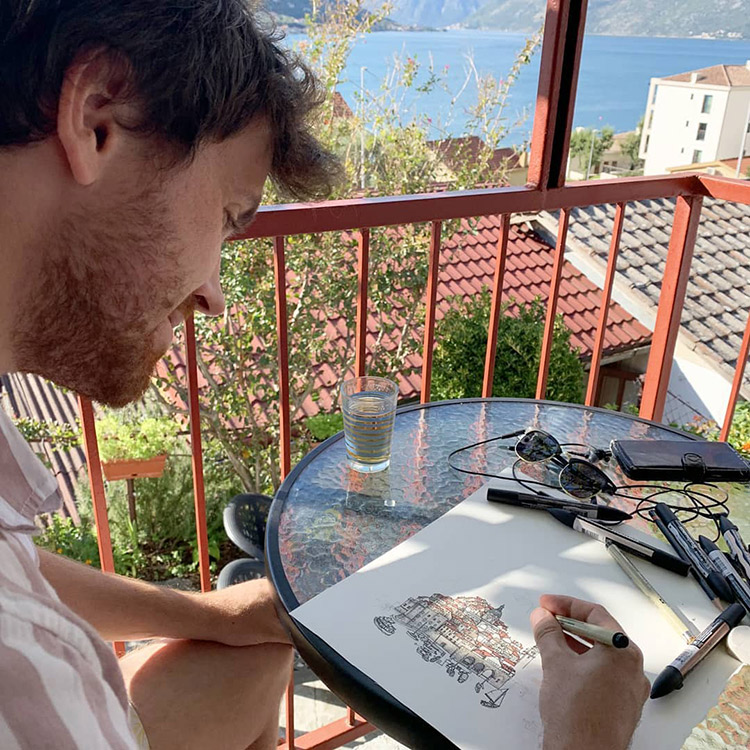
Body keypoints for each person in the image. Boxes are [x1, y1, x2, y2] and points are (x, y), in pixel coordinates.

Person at [0, 1, 648, 748]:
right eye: (229, 216)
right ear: (97, 117)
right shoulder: (26, 676)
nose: (213, 294)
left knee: (260, 640)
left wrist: (213, 614)